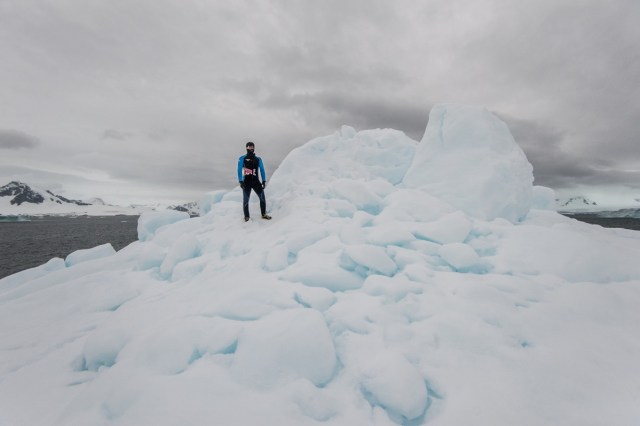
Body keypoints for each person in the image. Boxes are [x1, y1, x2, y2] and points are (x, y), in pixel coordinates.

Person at [238, 141, 271, 221]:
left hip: (256, 182)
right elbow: (239, 170)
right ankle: (246, 217)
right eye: (249, 146)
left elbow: (262, 170)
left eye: (252, 146)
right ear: (246, 148)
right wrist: (241, 181)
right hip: (246, 182)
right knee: (246, 200)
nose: (251, 148)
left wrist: (263, 181)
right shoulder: (242, 158)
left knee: (262, 198)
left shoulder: (258, 159)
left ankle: (263, 214)